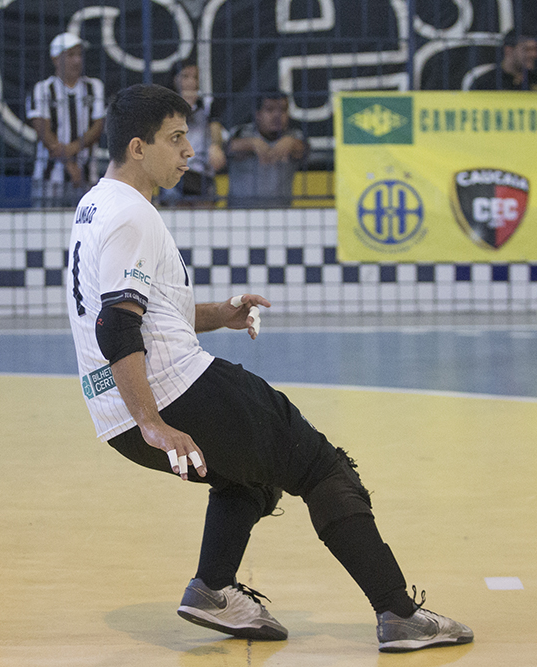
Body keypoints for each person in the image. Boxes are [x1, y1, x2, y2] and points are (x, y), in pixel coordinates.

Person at [66, 83, 473, 653]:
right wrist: (154, 421)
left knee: (252, 478)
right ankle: (399, 613)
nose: (189, 151)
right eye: (176, 139)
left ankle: (212, 591)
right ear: (138, 147)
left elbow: (149, 309)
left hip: (113, 413)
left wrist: (220, 313)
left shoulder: (95, 205)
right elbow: (116, 325)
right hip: (168, 395)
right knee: (324, 470)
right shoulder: (133, 215)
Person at [26, 33, 105, 208]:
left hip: (87, 176)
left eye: (79, 55)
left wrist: (70, 150)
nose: (77, 60)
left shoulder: (94, 87)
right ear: (55, 59)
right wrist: (69, 164)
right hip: (49, 177)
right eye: (70, 55)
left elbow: (98, 127)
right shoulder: (42, 89)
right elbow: (43, 132)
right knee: (45, 228)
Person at [158, 58, 226, 207]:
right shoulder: (165, 107)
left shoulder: (206, 104)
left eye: (195, 77)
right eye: (185, 76)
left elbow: (216, 129)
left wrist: (216, 146)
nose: (191, 82)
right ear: (174, 79)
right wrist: (184, 110)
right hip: (174, 171)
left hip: (201, 172)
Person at [225, 91, 307, 207]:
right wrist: (251, 143)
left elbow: (303, 149)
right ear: (257, 114)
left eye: (283, 110)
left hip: (280, 214)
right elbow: (226, 149)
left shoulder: (294, 135)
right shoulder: (242, 132)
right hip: (240, 213)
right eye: (270, 110)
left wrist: (291, 143)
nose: (277, 115)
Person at [469, 33, 537, 91]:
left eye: (535, 49)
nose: (534, 55)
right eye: (527, 50)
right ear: (508, 50)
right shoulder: (486, 83)